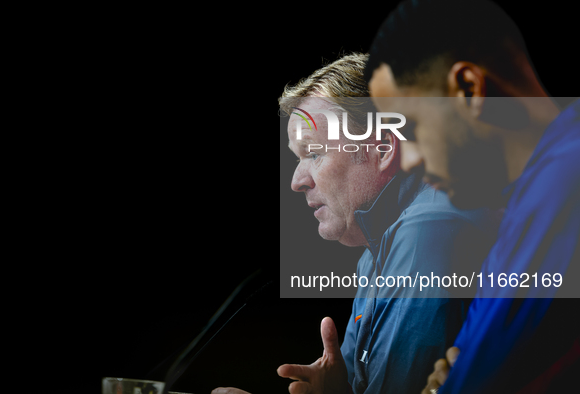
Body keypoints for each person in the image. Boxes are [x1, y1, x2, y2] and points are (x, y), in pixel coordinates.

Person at [213, 53, 499, 393]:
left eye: (314, 153)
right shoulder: (376, 251)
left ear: (381, 148)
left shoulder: (428, 230)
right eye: (298, 157)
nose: (296, 180)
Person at [364, 0, 580, 393]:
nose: (407, 161)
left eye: (412, 128)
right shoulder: (522, 210)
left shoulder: (566, 180)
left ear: (468, 89)